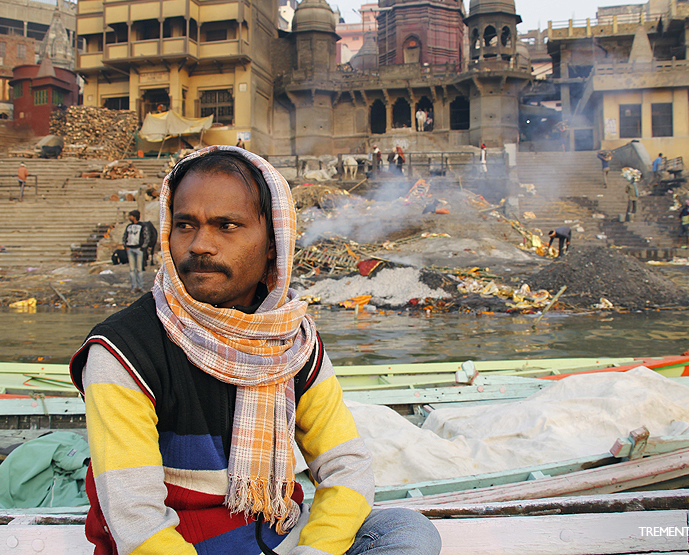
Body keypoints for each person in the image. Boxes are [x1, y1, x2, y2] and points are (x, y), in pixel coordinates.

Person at [69, 146, 441, 555]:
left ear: (272, 244)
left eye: (227, 225)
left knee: (406, 531)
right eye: (185, 225)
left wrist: (314, 551)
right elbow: (137, 521)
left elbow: (347, 468)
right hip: (183, 547)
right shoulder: (122, 350)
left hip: (281, 539)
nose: (200, 245)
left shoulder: (292, 339)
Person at [122, 209, 150, 292]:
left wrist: (142, 248)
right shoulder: (129, 227)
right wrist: (125, 245)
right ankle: (133, 286)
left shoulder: (142, 226)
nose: (129, 217)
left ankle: (140, 286)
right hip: (130, 249)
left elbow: (146, 237)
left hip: (138, 249)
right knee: (132, 269)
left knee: (139, 269)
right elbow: (125, 236)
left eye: (131, 216)